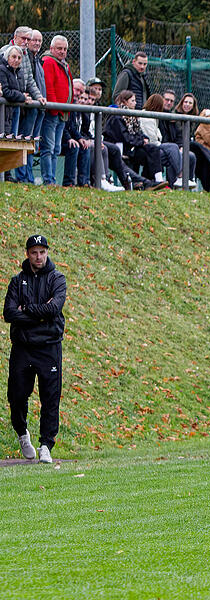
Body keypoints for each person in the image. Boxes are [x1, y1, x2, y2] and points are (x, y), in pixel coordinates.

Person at [3, 235, 66, 463]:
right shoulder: (17, 281)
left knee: (50, 397)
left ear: (47, 252)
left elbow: (55, 309)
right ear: (27, 254)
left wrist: (27, 309)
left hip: (49, 347)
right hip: (23, 347)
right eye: (33, 252)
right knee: (17, 395)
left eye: (42, 252)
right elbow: (9, 313)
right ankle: (22, 433)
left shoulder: (57, 279)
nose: (38, 257)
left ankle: (46, 445)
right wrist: (39, 315)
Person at [103, 90, 164, 184]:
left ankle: (157, 180)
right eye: (132, 101)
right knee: (147, 154)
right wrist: (141, 141)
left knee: (153, 149)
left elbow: (138, 132)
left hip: (133, 146)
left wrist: (144, 138)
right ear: (125, 101)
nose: (135, 103)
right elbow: (125, 137)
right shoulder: (118, 117)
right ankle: (147, 182)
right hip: (123, 148)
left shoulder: (133, 117)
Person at [141, 93, 195, 188]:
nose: (168, 103)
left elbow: (177, 136)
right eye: (166, 100)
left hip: (160, 146)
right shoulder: (148, 117)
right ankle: (180, 176)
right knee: (173, 148)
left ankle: (181, 182)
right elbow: (154, 140)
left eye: (172, 101)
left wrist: (181, 146)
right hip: (153, 147)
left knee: (189, 155)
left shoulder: (167, 117)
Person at [40, 35, 72, 186]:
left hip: (62, 113)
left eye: (65, 49)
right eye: (59, 48)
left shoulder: (63, 64)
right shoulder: (48, 62)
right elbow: (49, 86)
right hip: (53, 112)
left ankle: (52, 179)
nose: (62, 52)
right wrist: (54, 108)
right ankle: (48, 179)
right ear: (52, 48)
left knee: (56, 148)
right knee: (49, 147)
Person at [172, 92, 210, 194]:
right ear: (181, 103)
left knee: (206, 159)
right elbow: (173, 136)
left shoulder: (193, 119)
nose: (187, 105)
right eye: (186, 102)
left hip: (188, 145)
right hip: (178, 145)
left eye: (190, 103)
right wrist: (179, 147)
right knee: (197, 147)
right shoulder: (174, 116)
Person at [16, 29, 46, 183]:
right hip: (20, 106)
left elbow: (30, 81)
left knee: (31, 142)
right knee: (21, 141)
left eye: (36, 40)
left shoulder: (34, 58)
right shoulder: (8, 53)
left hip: (35, 106)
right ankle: (20, 176)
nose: (31, 43)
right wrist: (22, 95)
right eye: (26, 39)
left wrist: (39, 97)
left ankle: (27, 176)